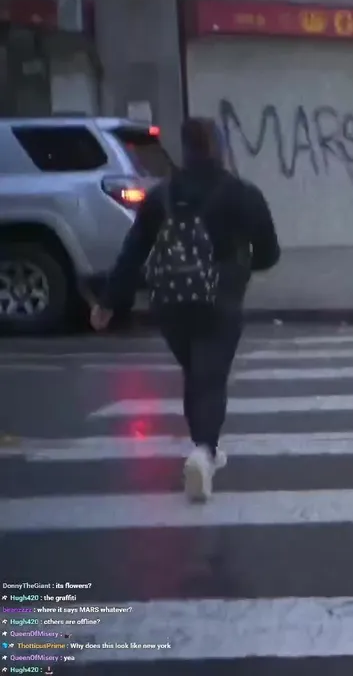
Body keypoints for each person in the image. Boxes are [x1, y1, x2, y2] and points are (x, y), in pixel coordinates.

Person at [91, 117, 280, 503]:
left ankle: (203, 448)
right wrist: (242, 265)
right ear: (219, 147)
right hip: (220, 300)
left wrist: (108, 302)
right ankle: (204, 451)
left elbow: (133, 252)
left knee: (196, 373)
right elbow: (269, 253)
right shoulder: (243, 194)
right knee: (210, 379)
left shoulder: (162, 196)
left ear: (185, 149)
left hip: (170, 304)